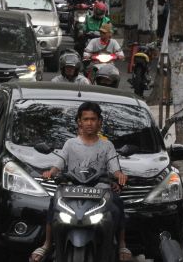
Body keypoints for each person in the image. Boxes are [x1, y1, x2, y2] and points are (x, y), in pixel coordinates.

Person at [29, 102, 131, 262]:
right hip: (71, 191)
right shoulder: (70, 144)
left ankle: (122, 244)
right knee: (53, 204)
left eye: (93, 119)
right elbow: (59, 164)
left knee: (118, 204)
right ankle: (47, 244)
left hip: (100, 192)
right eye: (86, 119)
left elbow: (114, 168)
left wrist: (119, 175)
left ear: (99, 122)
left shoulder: (107, 145)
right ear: (79, 122)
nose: (89, 123)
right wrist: (51, 172)